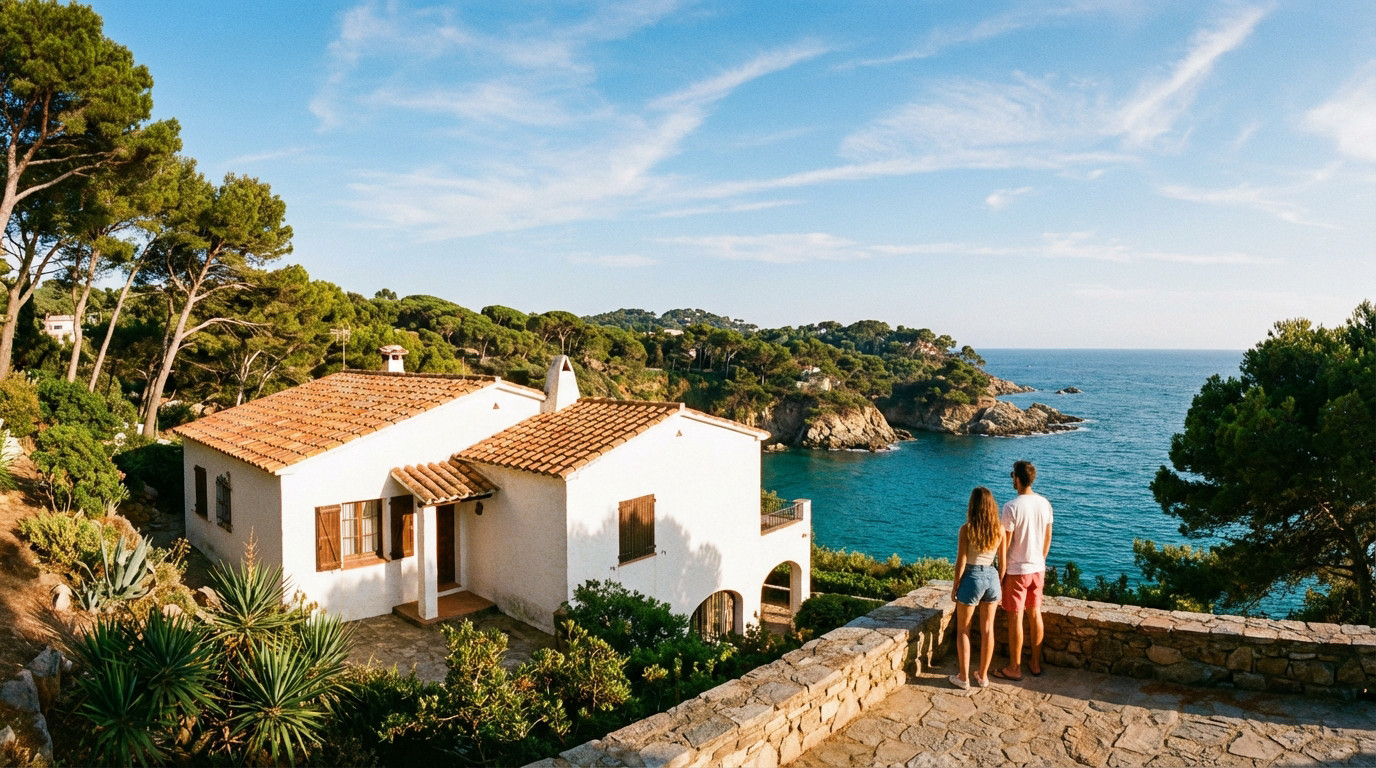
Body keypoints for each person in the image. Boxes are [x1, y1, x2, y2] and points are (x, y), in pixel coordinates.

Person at [993, 460, 1053, 682]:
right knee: (1035, 614)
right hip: (1038, 567)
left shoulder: (1011, 507)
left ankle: (1014, 667)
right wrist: (1040, 560)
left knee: (1015, 618)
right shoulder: (1045, 504)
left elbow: (1004, 544)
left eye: (1012, 476)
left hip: (1017, 570)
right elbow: (1048, 538)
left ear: (1017, 479)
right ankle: (1035, 664)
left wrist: (1001, 572)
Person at [948, 486, 1007, 690]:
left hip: (972, 576)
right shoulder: (999, 529)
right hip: (992, 576)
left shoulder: (967, 529)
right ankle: (983, 676)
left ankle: (964, 678)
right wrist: (996, 582)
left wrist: (955, 586)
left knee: (963, 629)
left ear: (973, 506)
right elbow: (1003, 564)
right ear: (992, 507)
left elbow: (961, 561)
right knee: (988, 629)